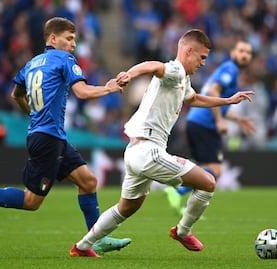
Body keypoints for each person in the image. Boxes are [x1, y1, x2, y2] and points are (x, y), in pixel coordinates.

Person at [0, 17, 131, 255]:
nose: (73, 44)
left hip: (49, 136)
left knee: (88, 181)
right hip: (47, 140)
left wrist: (33, 114)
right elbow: (83, 92)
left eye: (75, 39)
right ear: (53, 39)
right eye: (69, 39)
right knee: (31, 201)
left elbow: (16, 95)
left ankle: (96, 238)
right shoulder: (65, 59)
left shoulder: (32, 64)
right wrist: (109, 88)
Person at [69, 29, 254, 257]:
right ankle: (183, 231)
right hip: (149, 151)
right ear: (188, 51)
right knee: (208, 182)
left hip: (136, 151)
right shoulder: (175, 70)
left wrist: (227, 100)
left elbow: (194, 99)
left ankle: (82, 247)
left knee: (127, 207)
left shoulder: (183, 79)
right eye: (202, 57)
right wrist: (129, 73)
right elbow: (153, 66)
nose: (204, 63)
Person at [164, 40, 255, 215]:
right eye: (241, 50)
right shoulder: (230, 69)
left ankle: (184, 204)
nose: (245, 55)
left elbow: (216, 101)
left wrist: (237, 119)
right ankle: (177, 191)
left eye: (248, 53)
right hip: (204, 124)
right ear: (233, 53)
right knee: (215, 170)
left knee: (208, 169)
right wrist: (220, 121)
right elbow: (213, 92)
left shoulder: (228, 70)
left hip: (197, 121)